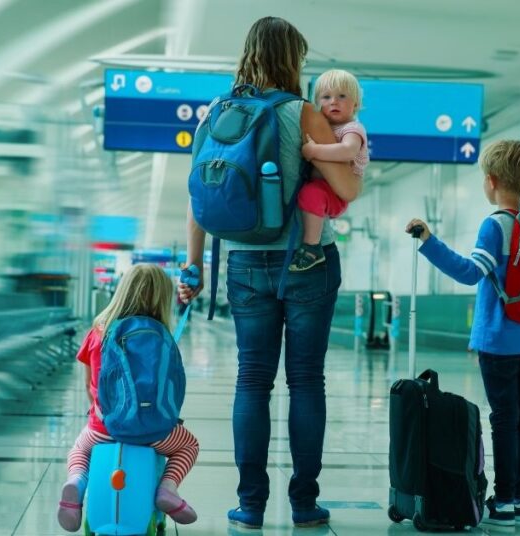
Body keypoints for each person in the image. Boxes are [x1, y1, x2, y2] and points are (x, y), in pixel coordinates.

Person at [178, 16, 361, 530]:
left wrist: (193, 265)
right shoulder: (302, 112)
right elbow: (346, 190)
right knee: (306, 381)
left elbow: (198, 197)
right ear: (291, 60)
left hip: (243, 262)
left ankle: (250, 505)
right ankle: (304, 503)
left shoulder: (216, 112)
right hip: (308, 262)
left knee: (252, 379)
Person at [404, 140, 520, 528]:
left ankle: (504, 499)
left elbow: (469, 272)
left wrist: (429, 242)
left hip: (499, 338)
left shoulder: (494, 224)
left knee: (504, 417)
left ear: (492, 181)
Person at [57, 264, 200, 532]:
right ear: (161, 298)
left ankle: (76, 481)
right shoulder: (161, 336)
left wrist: (99, 414)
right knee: (189, 445)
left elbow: (90, 385)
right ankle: (168, 489)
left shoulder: (98, 331)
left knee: (79, 448)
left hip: (103, 430)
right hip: (154, 432)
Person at [290, 69, 369, 272]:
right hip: (323, 184)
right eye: (326, 97)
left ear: (356, 104)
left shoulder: (352, 128)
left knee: (311, 194)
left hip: (335, 193)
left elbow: (347, 151)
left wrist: (315, 150)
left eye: (342, 96)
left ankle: (312, 246)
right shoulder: (324, 126)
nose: (334, 101)